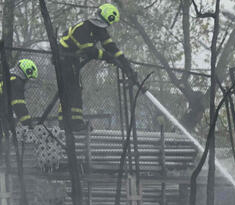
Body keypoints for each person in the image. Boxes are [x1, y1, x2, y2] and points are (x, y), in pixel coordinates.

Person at [56, 3, 141, 131]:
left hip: (72, 60)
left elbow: (113, 49)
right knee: (71, 90)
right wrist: (108, 57)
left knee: (76, 90)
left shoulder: (100, 30)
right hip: (63, 58)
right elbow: (90, 51)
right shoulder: (82, 28)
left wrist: (128, 69)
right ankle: (68, 124)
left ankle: (75, 123)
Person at [0, 59, 39, 129]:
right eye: (28, 79)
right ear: (26, 72)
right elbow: (18, 105)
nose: (27, 82)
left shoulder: (8, 77)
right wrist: (28, 124)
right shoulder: (16, 82)